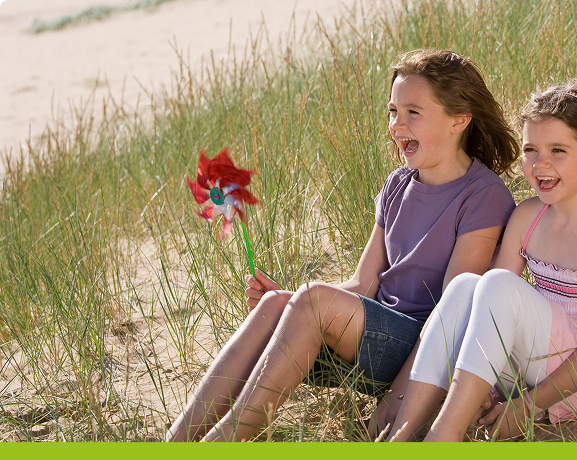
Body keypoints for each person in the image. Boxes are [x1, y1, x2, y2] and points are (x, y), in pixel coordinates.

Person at [165, 49, 519, 442]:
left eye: (413, 113)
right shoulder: (398, 185)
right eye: (392, 111)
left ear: (459, 119)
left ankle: (224, 440)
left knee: (312, 301)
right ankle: (177, 439)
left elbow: (449, 318)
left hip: (422, 357)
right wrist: (292, 303)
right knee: (276, 304)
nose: (397, 125)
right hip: (377, 336)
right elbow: (363, 285)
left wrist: (400, 397)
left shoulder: (483, 195)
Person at [387, 83, 577, 442]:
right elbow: (484, 305)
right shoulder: (528, 216)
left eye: (558, 150)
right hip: (538, 359)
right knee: (467, 286)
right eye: (531, 150)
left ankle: (441, 439)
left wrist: (526, 406)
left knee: (495, 284)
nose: (540, 164)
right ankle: (399, 435)